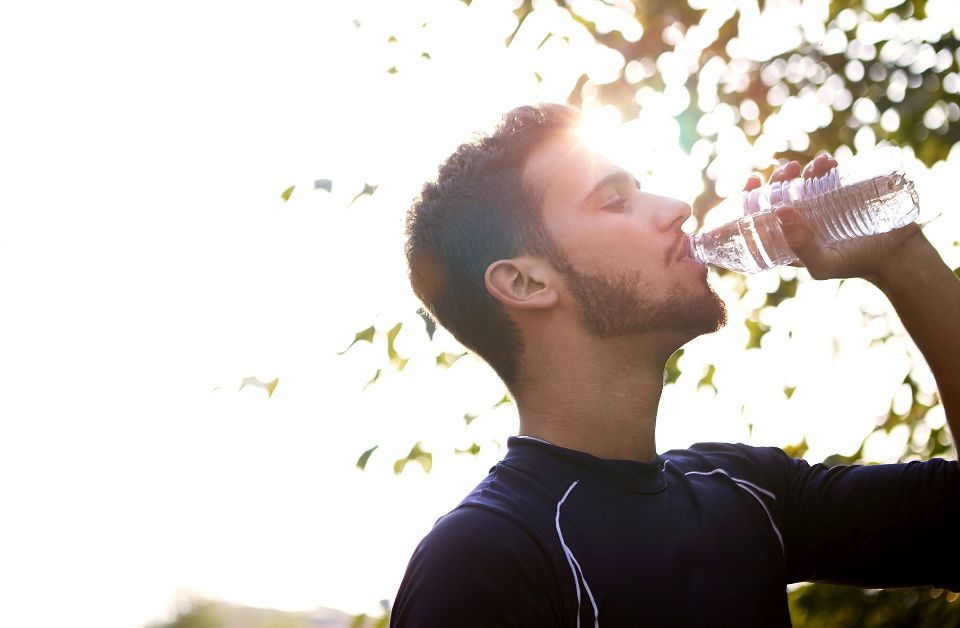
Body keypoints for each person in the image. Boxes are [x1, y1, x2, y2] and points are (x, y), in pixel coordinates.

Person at [391, 103, 960, 627]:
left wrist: (902, 258)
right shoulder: (483, 559)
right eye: (615, 201)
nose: (678, 209)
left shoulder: (744, 490)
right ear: (525, 282)